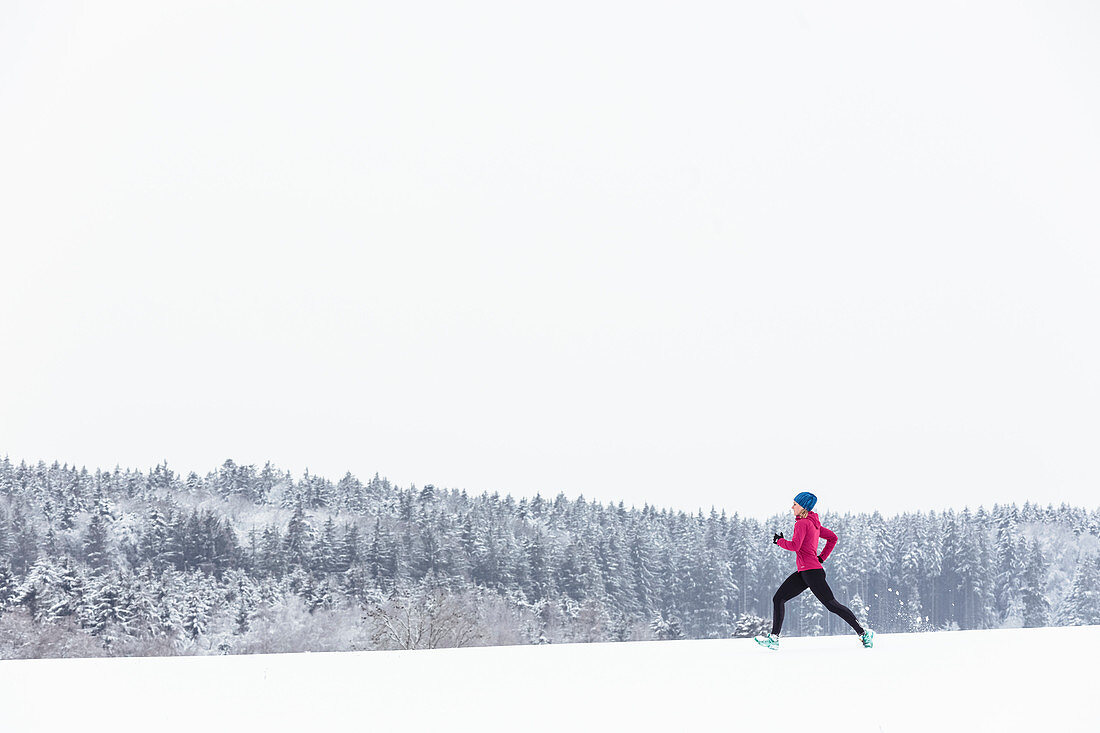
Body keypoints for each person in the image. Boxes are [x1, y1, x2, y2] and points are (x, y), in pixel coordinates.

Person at [754, 491, 874, 650]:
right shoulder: (813, 523)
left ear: (802, 506)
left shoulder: (802, 523)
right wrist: (821, 558)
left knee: (832, 605)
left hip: (811, 572)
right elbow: (833, 538)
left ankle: (863, 633)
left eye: (795, 504)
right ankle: (774, 639)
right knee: (778, 598)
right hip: (805, 572)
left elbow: (795, 546)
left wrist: (779, 541)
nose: (792, 507)